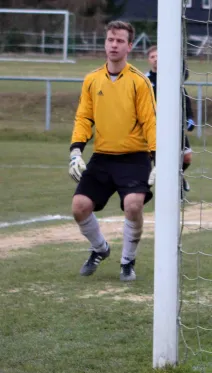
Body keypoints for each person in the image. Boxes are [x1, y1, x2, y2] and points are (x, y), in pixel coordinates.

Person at [68, 20, 156, 282]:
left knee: (133, 205)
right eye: (110, 39)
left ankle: (127, 261)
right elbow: (84, 117)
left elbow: (150, 121)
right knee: (79, 207)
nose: (114, 44)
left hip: (134, 157)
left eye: (119, 41)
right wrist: (75, 151)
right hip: (103, 156)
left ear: (129, 46)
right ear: (105, 43)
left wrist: (156, 158)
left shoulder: (139, 82)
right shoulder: (92, 79)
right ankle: (100, 249)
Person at [146, 45, 195, 197]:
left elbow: (184, 97)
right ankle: (167, 194)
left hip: (175, 125)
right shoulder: (145, 80)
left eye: (158, 56)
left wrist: (190, 117)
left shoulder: (172, 77)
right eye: (152, 57)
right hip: (154, 127)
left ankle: (178, 177)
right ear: (149, 60)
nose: (155, 60)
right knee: (157, 161)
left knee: (187, 157)